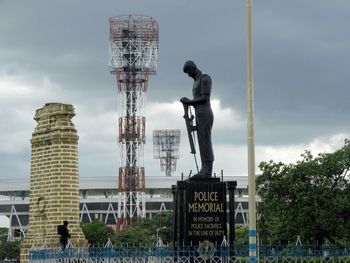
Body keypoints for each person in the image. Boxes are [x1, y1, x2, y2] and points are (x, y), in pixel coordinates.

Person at [180, 60, 214, 178]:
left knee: (205, 141)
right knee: (201, 141)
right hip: (198, 114)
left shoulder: (205, 78)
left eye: (188, 72)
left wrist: (189, 102)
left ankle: (207, 170)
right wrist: (189, 101)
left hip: (205, 113)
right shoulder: (195, 83)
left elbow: (204, 98)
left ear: (193, 68)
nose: (188, 75)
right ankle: (204, 168)